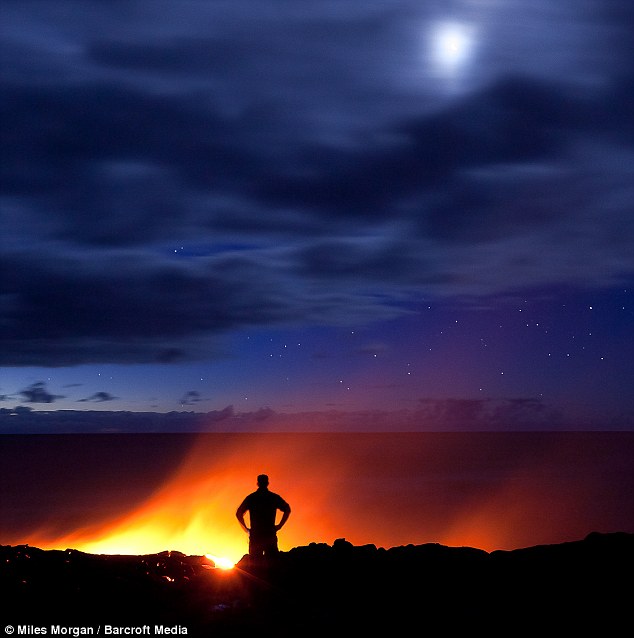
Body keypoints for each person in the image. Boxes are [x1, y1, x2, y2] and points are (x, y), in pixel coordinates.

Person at [236, 474, 291, 559]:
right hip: (269, 534)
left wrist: (246, 529)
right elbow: (287, 509)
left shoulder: (252, 498)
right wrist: (279, 525)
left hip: (256, 535)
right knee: (272, 561)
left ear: (258, 483)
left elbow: (239, 513)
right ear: (267, 483)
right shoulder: (273, 497)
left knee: (255, 563)